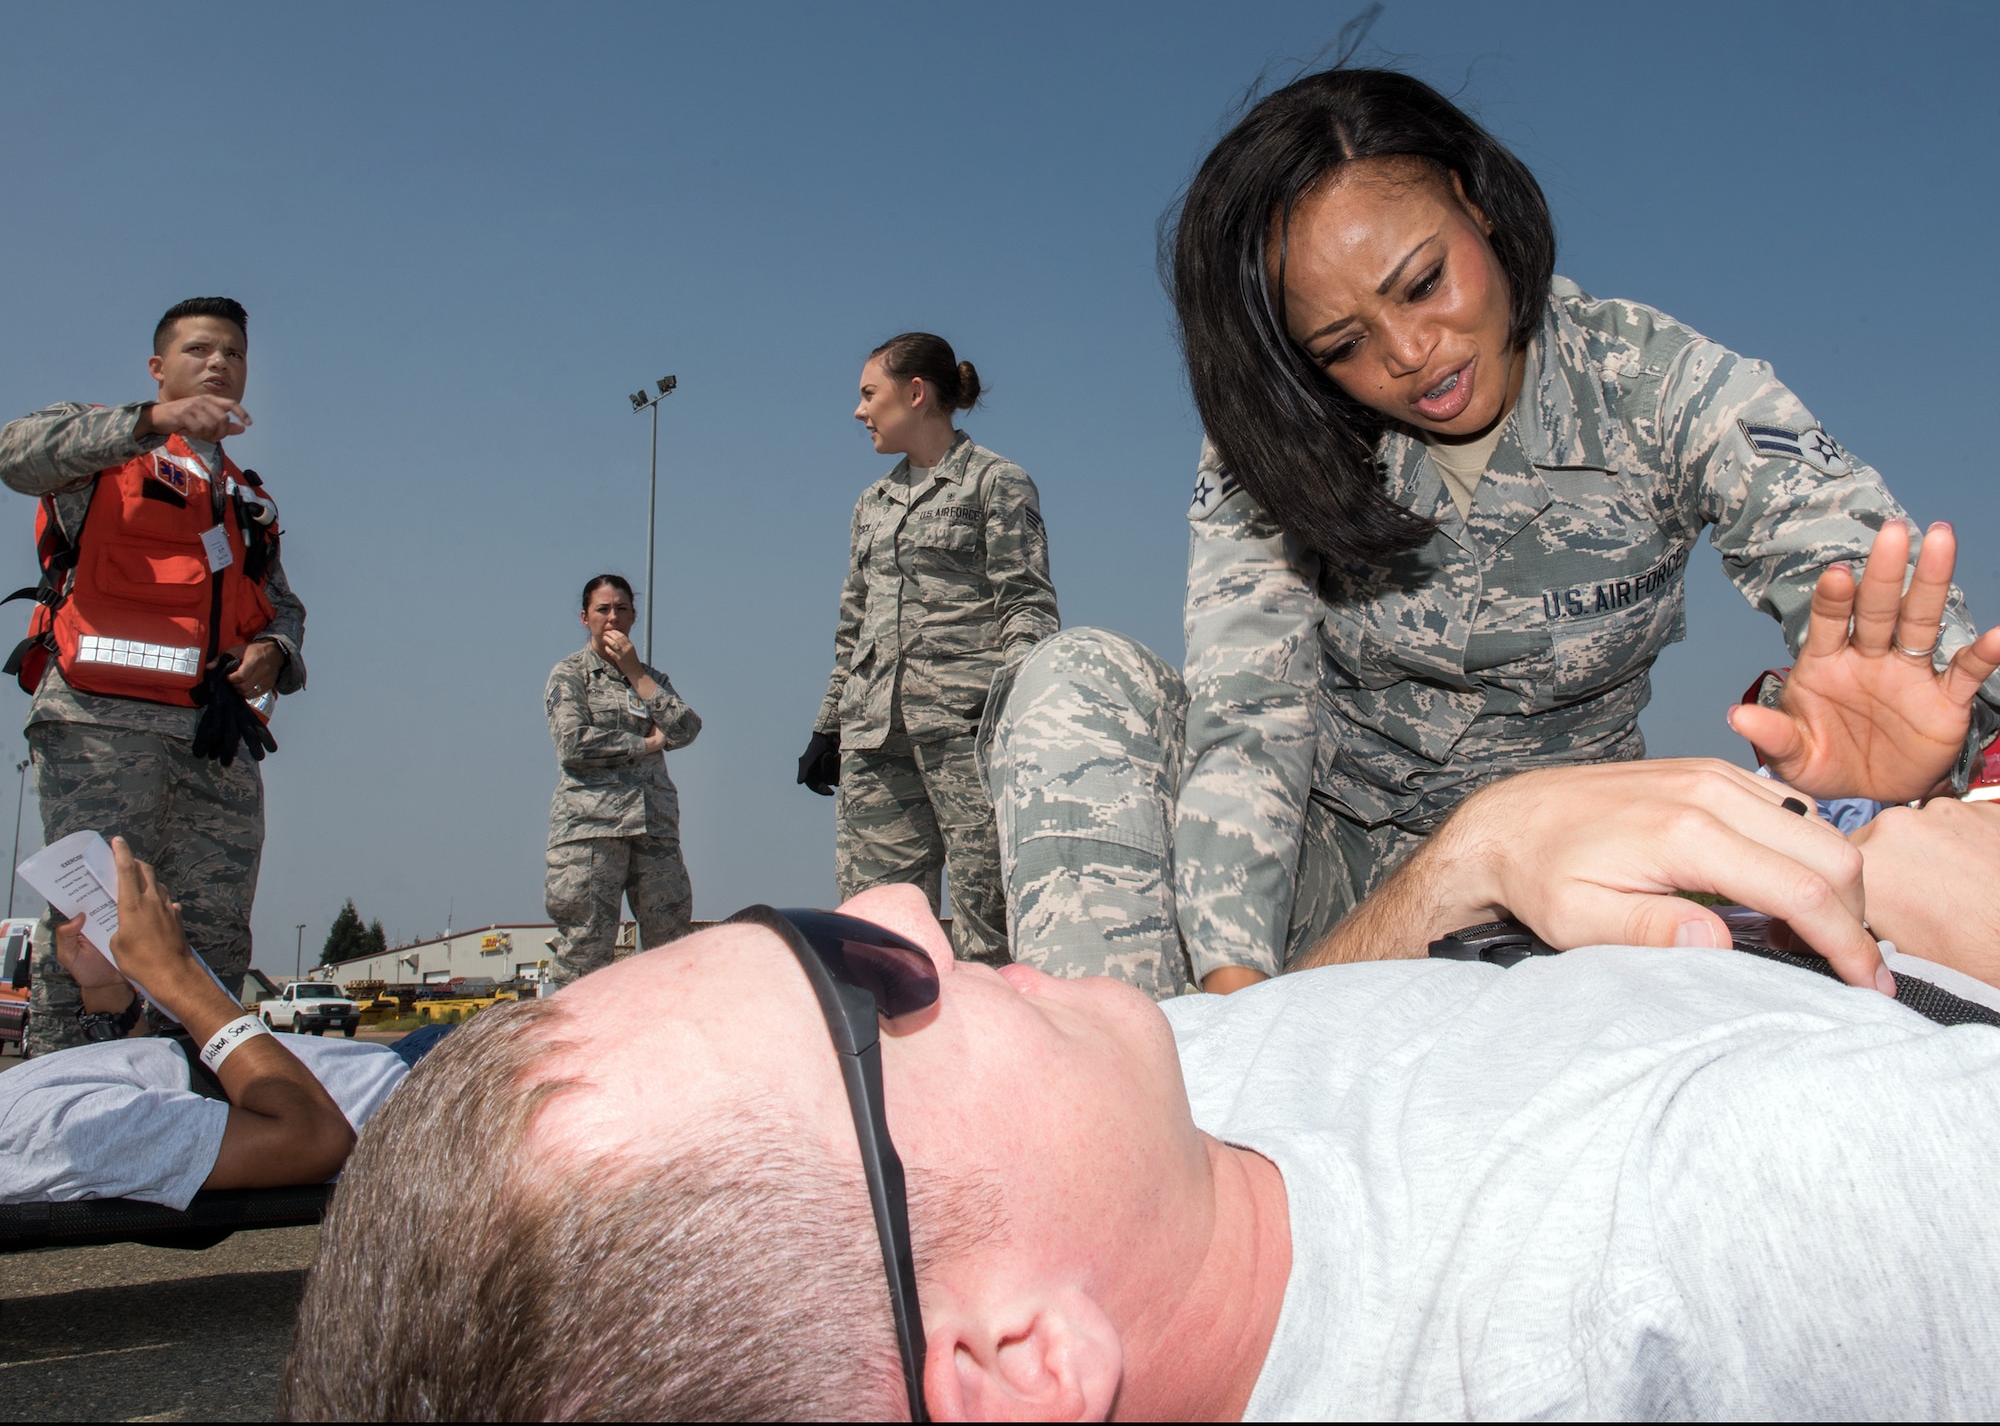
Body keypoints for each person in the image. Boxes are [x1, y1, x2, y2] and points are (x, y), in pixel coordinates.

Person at [279, 761, 2000, 1421]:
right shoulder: (1733, 1237)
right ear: (1021, 1360)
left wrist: (1467, 865)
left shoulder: (1121, 1157)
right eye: (867, 997)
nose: (897, 907)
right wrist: (1903, 874)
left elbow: (1323, 1041)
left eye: (803, 924)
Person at [981, 67, 2000, 998]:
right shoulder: (1276, 436)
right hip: (1315, 877)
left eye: (1421, 283)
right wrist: (1238, 994)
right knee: (1077, 680)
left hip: (1552, 881)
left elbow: (1856, 572)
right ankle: (1127, 1078)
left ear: (1474, 202)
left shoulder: (1662, 386)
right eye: (1342, 345)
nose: (1411, 354)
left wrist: (1918, 750)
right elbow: (1251, 718)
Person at [1, 297, 306, 1053]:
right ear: (159, 367)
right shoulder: (106, 448)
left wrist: (275, 648)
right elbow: (16, 452)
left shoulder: (246, 498)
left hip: (215, 741)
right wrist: (150, 420)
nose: (218, 364)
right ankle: (65, 1099)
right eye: (200, 350)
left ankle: (196, 1100)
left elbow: (283, 604)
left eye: (233, 354)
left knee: (211, 935)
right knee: (93, 926)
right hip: (105, 726)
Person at [798, 333, 1058, 966]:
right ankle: (896, 1058)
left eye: (869, 394)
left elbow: (1027, 605)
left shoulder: (996, 484)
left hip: (965, 735)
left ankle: (996, 1056)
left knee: (987, 924)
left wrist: (1011, 714)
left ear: (915, 393)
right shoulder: (871, 503)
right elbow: (852, 624)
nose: (859, 412)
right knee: (875, 929)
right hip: (874, 738)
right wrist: (828, 726)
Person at [0, 839, 429, 1208]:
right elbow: (315, 1142)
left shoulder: (27, 1118)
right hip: (423, 1095)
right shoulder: (45, 1135)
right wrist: (178, 976)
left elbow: (155, 1094)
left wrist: (108, 992)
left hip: (402, 1065)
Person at [542, 573, 701, 989]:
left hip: (653, 829)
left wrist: (636, 674)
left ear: (634, 616)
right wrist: (645, 745)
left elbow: (685, 729)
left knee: (671, 944)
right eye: (603, 609)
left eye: (622, 609)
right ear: (584, 617)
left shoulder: (650, 677)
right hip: (591, 831)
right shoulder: (570, 675)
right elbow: (573, 743)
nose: (613, 617)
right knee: (586, 948)